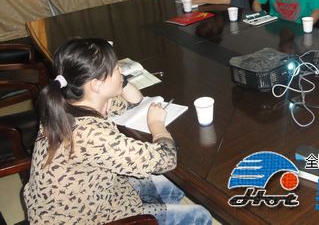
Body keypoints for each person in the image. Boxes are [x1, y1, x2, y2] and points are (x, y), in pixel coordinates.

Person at [24, 38, 212, 225]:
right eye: (115, 68)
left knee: (173, 187)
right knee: (199, 215)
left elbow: (135, 101)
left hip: (94, 193)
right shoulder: (91, 135)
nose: (121, 69)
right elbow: (166, 159)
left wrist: (121, 81)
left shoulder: (67, 103)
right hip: (85, 218)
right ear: (96, 84)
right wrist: (157, 125)